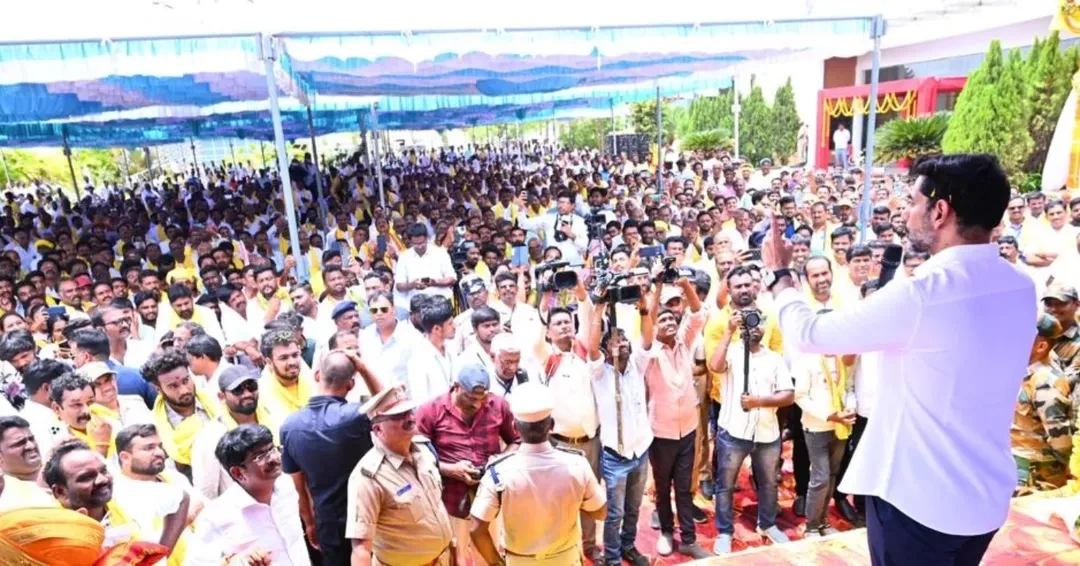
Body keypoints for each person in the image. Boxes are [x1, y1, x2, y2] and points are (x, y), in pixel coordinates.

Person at [764, 153, 1035, 564]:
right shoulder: (1021, 286)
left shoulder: (923, 294)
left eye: (912, 202)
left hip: (918, 502)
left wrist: (781, 274)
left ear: (940, 211)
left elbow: (812, 334)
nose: (905, 214)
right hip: (984, 498)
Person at [469, 381, 607, 566]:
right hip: (566, 559)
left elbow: (477, 529)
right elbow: (600, 513)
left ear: (515, 428)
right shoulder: (576, 465)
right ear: (551, 425)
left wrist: (496, 563)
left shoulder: (497, 473)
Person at [282, 350, 384, 566]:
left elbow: (298, 485)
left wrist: (309, 522)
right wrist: (363, 368)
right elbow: (390, 405)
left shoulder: (290, 427)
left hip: (328, 522)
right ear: (351, 384)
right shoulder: (356, 416)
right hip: (371, 516)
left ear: (317, 375)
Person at [416, 363, 520, 564]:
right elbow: (416, 456)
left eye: (483, 399)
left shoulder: (499, 405)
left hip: (489, 495)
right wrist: (449, 469)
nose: (478, 404)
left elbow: (516, 441)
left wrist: (498, 462)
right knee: (454, 555)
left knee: (487, 552)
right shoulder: (431, 410)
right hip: (450, 497)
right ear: (456, 387)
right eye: (472, 398)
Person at [345, 384, 454, 566]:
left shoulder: (424, 451)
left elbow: (436, 507)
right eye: (398, 415)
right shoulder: (368, 477)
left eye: (409, 411)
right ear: (378, 430)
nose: (409, 418)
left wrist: (454, 548)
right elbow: (361, 549)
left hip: (444, 559)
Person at [185, 424, 310, 566]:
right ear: (238, 473)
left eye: (272, 449)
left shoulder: (286, 485)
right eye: (260, 456)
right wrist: (233, 561)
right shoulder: (217, 516)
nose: (274, 458)